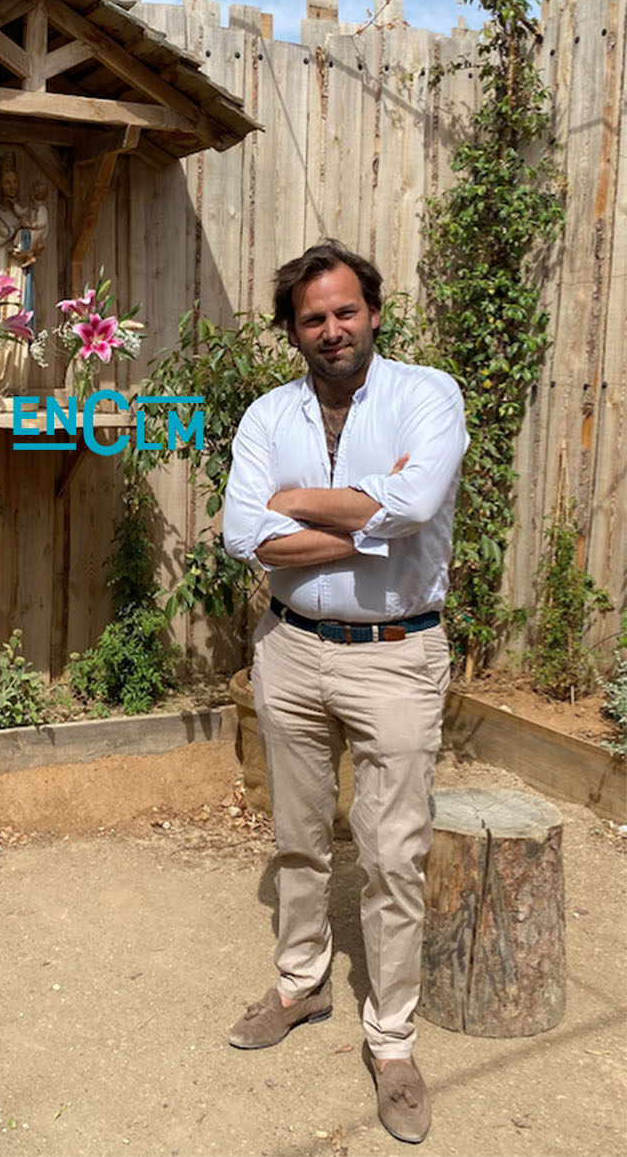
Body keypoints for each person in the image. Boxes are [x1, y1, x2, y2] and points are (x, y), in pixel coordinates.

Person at [222, 239, 468, 1145]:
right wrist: (366, 522)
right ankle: (300, 981)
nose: (332, 329)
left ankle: (392, 1040)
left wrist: (299, 501)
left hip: (398, 657)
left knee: (393, 853)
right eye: (313, 317)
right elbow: (243, 536)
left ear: (373, 311)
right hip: (289, 651)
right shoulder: (265, 416)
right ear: (294, 330)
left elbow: (417, 503)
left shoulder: (426, 395)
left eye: (345, 311)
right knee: (297, 838)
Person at [0, 162, 49, 394]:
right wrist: (10, 232)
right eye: (7, 182)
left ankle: (16, 382)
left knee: (18, 321)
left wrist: (32, 247)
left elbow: (39, 237)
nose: (12, 187)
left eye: (15, 182)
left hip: (19, 276)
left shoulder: (26, 213)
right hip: (0, 275)